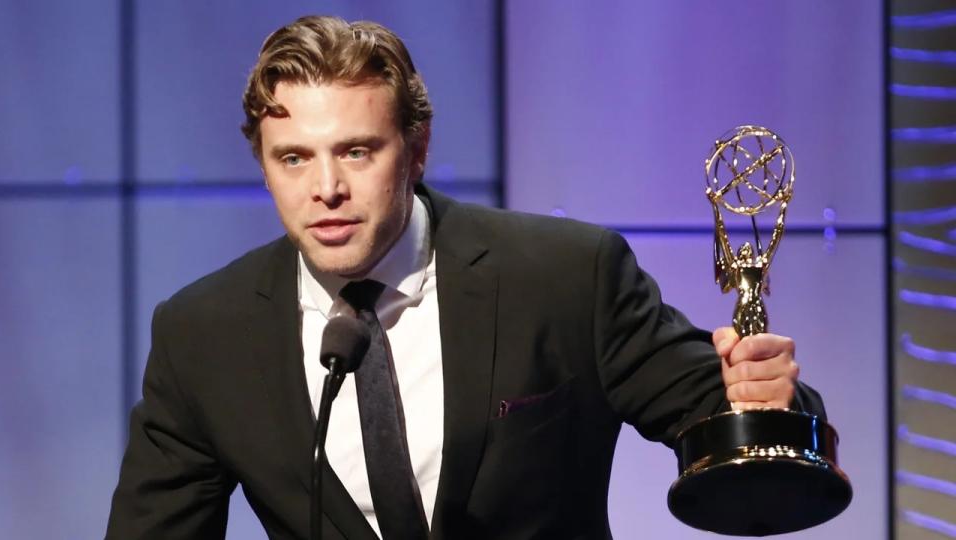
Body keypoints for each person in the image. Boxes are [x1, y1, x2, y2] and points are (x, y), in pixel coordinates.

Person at [105, 15, 823, 540]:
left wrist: (768, 399)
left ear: (416, 150)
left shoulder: (566, 278)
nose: (325, 188)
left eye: (357, 151)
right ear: (263, 164)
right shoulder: (204, 335)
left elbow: (739, 423)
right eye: (294, 158)